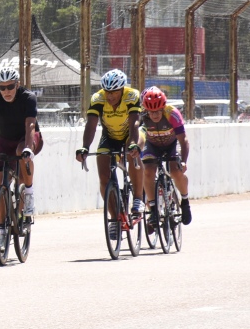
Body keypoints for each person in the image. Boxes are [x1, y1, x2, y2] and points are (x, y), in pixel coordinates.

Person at [76, 68, 144, 241]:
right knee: (104, 176)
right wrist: (84, 147)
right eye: (107, 92)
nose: (110, 96)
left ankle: (137, 198)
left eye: (114, 92)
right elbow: (91, 125)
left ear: (122, 89)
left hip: (131, 134)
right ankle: (114, 219)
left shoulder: (132, 96)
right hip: (110, 137)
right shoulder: (98, 99)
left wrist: (134, 144)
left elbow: (135, 123)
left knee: (132, 154)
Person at [0, 65, 40, 240]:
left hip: (26, 138)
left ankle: (29, 193)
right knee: (0, 183)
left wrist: (28, 148)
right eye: (2, 87)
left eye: (10, 86)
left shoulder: (28, 98)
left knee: (20, 152)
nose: (6, 91)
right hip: (4, 140)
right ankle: (2, 229)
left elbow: (30, 125)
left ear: (17, 84)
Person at [139, 86, 192, 226]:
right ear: (146, 110)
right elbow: (136, 134)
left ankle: (185, 201)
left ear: (163, 108)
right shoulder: (142, 116)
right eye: (151, 112)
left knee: (175, 171)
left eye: (158, 111)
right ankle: (153, 210)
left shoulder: (173, 114)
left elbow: (183, 140)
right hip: (152, 145)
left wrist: (184, 161)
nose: (155, 115)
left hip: (172, 144)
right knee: (148, 172)